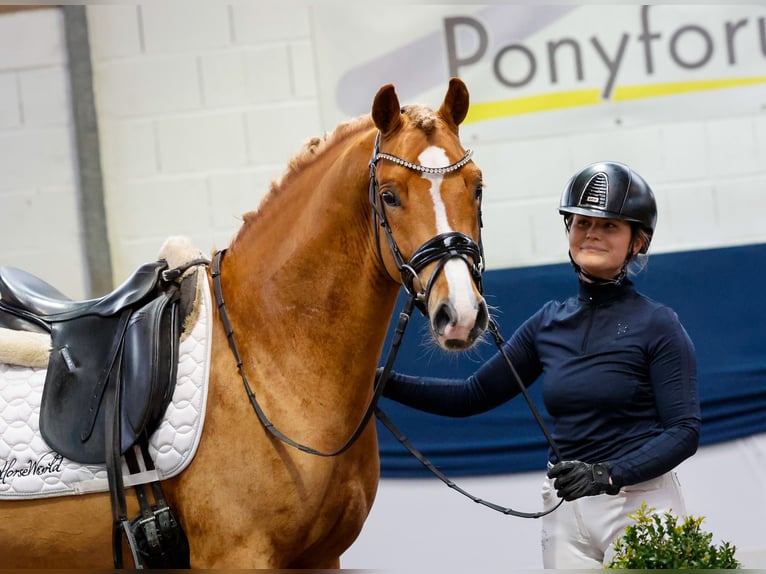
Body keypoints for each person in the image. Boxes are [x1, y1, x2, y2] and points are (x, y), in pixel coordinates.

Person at [381, 161, 701, 569]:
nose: (592, 234)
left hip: (640, 504)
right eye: (582, 222)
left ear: (636, 243)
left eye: (609, 226)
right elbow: (471, 395)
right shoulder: (548, 322)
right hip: (566, 508)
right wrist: (377, 382)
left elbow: (684, 431)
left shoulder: (658, 324)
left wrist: (608, 474)